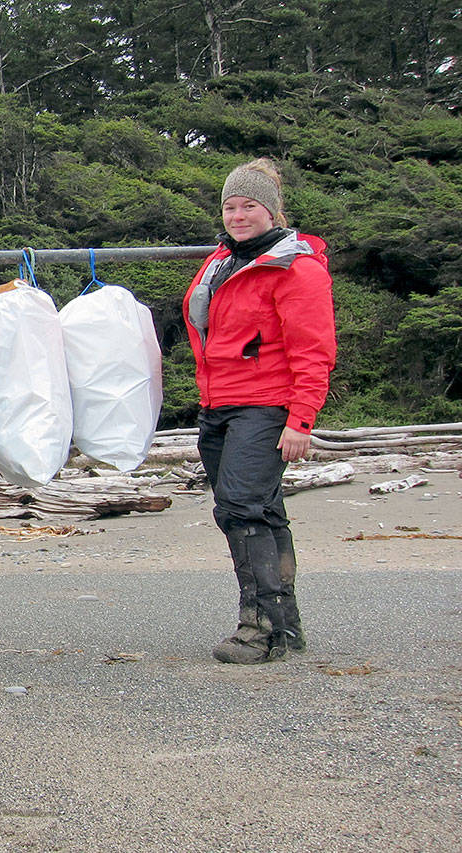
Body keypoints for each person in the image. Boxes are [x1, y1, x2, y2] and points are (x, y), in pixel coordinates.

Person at [183, 158, 337, 665]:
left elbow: (313, 350)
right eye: (230, 206)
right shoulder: (220, 262)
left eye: (249, 206)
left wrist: (301, 420)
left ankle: (259, 628)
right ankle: (286, 629)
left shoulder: (296, 268)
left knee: (240, 509)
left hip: (264, 404)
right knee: (263, 511)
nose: (238, 214)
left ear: (271, 211)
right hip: (218, 404)